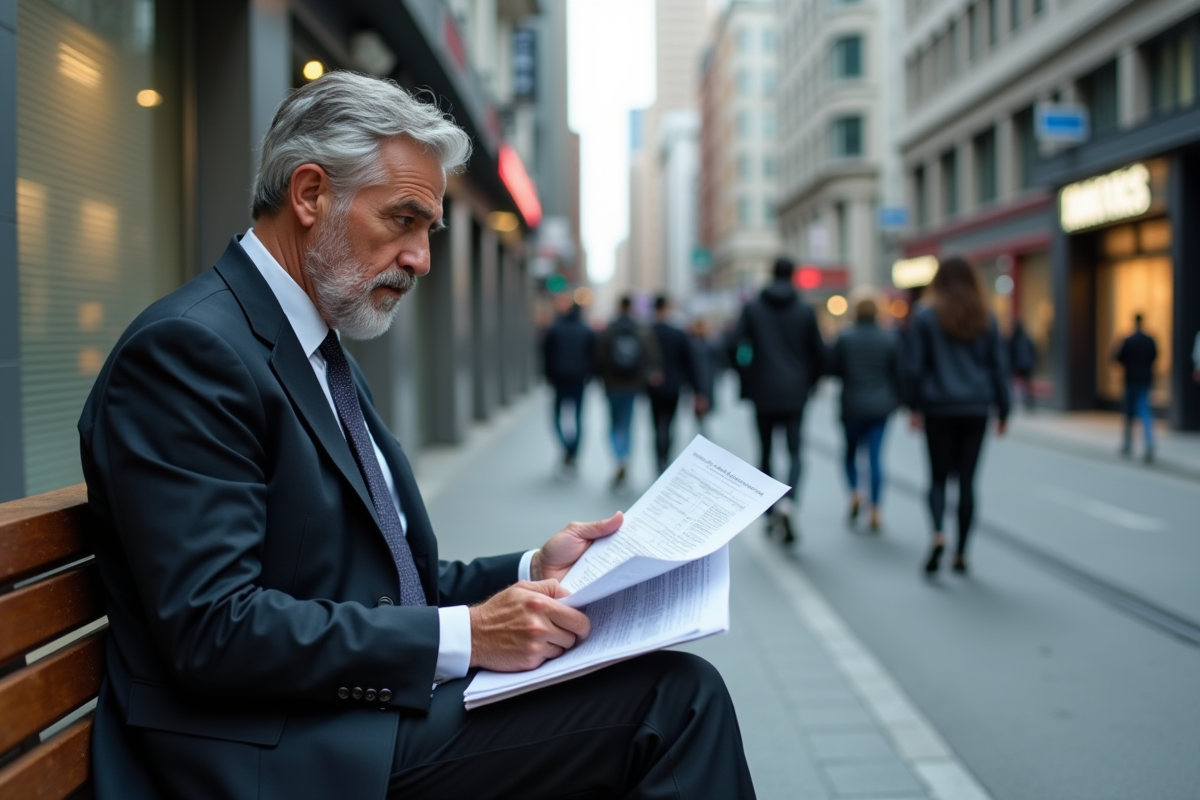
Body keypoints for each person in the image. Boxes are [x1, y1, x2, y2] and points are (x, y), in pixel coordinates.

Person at [77, 72, 754, 800]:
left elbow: (388, 585)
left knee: (663, 691)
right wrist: (466, 635)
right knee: (674, 702)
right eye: (401, 220)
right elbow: (213, 629)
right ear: (310, 195)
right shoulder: (189, 351)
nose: (421, 259)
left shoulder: (313, 352)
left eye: (426, 231)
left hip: (344, 718)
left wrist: (534, 570)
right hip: (265, 756)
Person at [903, 256, 1010, 576]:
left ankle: (938, 534)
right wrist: (1003, 410)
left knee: (937, 478)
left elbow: (914, 367)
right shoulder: (985, 317)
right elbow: (998, 368)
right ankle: (962, 552)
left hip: (938, 407)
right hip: (976, 408)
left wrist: (913, 407)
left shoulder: (925, 317)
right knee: (967, 482)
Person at [728, 256, 827, 545]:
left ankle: (771, 511)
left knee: (766, 451)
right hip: (795, 392)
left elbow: (732, 344)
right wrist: (810, 382)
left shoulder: (753, 309)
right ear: (793, 274)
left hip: (762, 391)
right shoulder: (805, 310)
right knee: (796, 451)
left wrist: (746, 372)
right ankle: (790, 502)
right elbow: (820, 354)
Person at [829, 289, 901, 532]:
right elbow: (898, 372)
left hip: (852, 405)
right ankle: (876, 509)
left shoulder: (845, 337)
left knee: (849, 454)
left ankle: (855, 493)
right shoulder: (889, 338)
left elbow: (834, 368)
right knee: (875, 458)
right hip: (880, 406)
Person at [596, 296, 662, 490]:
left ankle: (619, 457)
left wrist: (601, 378)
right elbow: (651, 357)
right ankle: (625, 458)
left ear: (619, 307)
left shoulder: (609, 330)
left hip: (612, 385)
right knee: (627, 423)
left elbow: (599, 358)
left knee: (613, 424)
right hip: (632, 385)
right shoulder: (641, 330)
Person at [541, 299, 597, 473]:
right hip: (579, 380)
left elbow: (546, 354)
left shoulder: (556, 329)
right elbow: (593, 356)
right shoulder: (586, 330)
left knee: (557, 416)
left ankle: (567, 448)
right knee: (578, 418)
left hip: (559, 379)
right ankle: (572, 451)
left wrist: (548, 375)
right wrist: (589, 375)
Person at [648, 295, 701, 473]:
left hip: (654, 387)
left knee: (657, 425)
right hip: (673, 386)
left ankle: (658, 459)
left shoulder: (648, 331)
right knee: (670, 423)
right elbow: (690, 362)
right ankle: (665, 457)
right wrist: (697, 390)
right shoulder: (678, 334)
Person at [1114, 313, 1158, 463]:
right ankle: (1149, 443)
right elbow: (1155, 356)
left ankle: (1128, 444)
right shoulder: (1149, 340)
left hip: (1131, 380)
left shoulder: (1128, 340)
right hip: (1145, 380)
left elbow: (1117, 357)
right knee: (1145, 411)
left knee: (1129, 413)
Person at [688, 318, 721, 436]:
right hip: (704, 381)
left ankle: (701, 430)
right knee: (702, 408)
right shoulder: (701, 345)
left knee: (701, 409)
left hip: (702, 381)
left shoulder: (698, 345)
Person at [1008, 320, 1036, 411]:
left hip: (1019, 365)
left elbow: (1010, 353)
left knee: (1018, 384)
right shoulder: (1026, 338)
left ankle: (1023, 401)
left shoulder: (1014, 339)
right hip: (1027, 364)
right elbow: (1033, 351)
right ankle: (1029, 402)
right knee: (1026, 384)